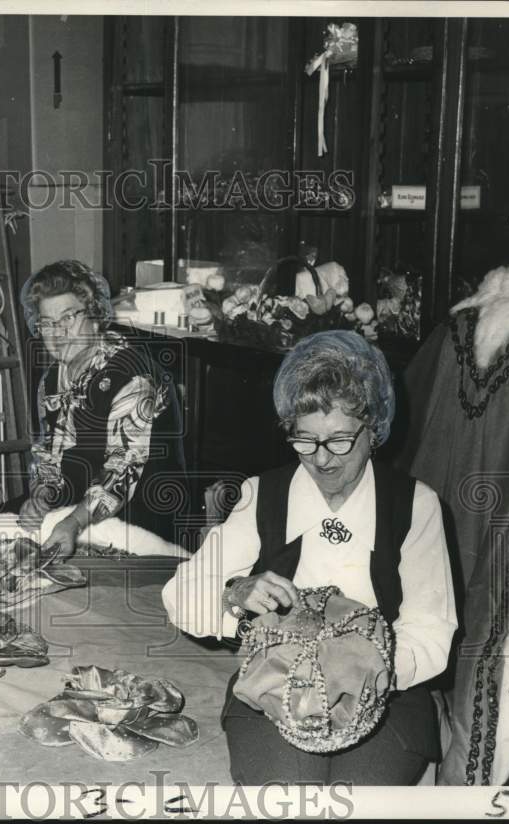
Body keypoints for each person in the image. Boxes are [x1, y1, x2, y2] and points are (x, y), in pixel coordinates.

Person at [161, 330, 457, 785]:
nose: (322, 460)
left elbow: (432, 630)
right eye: (305, 440)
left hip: (387, 693)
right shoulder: (262, 495)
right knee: (286, 797)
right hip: (275, 687)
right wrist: (234, 597)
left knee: (357, 803)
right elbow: (181, 594)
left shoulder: (416, 505)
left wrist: (363, 670)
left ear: (374, 430)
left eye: (340, 439)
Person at [16, 260, 186, 553]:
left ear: (95, 316)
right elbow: (49, 454)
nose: (58, 333)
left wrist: (72, 523)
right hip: (76, 515)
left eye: (69, 318)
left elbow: (121, 473)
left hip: (141, 526)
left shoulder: (133, 377)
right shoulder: (52, 379)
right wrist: (42, 495)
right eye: (47, 323)